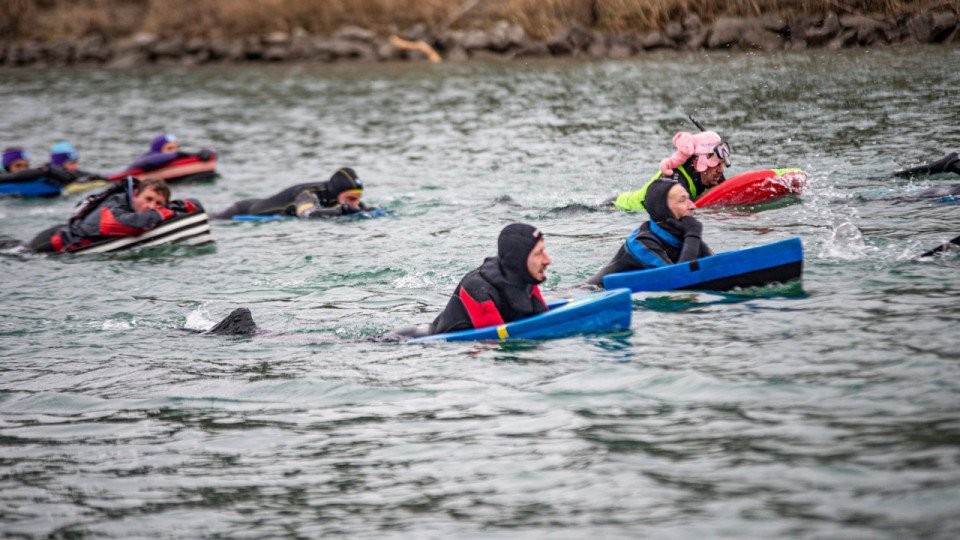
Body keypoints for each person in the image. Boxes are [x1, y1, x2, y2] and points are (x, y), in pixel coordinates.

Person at [386, 223, 552, 340]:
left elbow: (543, 319)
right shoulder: (477, 287)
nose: (547, 260)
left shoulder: (526, 278)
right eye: (538, 254)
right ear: (519, 258)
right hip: (412, 341)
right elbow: (496, 341)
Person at [585, 178, 714, 287]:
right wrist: (693, 234)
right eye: (682, 200)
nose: (693, 206)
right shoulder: (641, 243)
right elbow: (679, 282)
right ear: (664, 210)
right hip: (590, 295)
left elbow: (715, 265)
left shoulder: (683, 233)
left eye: (689, 198)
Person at [27, 177, 203, 253]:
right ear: (134, 194)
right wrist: (163, 212)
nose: (151, 206)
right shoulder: (115, 204)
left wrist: (172, 208)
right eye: (148, 199)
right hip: (49, 244)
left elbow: (195, 205)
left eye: (158, 203)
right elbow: (117, 224)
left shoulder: (139, 208)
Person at [613, 131, 731, 211]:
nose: (721, 170)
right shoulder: (676, 180)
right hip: (621, 207)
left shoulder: (714, 175)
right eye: (716, 165)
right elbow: (688, 214)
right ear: (697, 163)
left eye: (721, 165)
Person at [214, 167, 376, 219]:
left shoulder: (336, 198)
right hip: (241, 211)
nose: (354, 203)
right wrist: (341, 210)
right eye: (349, 198)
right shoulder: (308, 194)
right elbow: (306, 214)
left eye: (357, 199)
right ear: (336, 192)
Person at [125, 133, 215, 172]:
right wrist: (178, 155)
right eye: (169, 148)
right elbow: (149, 161)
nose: (174, 151)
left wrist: (207, 152)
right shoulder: (146, 158)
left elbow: (212, 152)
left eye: (175, 148)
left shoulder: (176, 156)